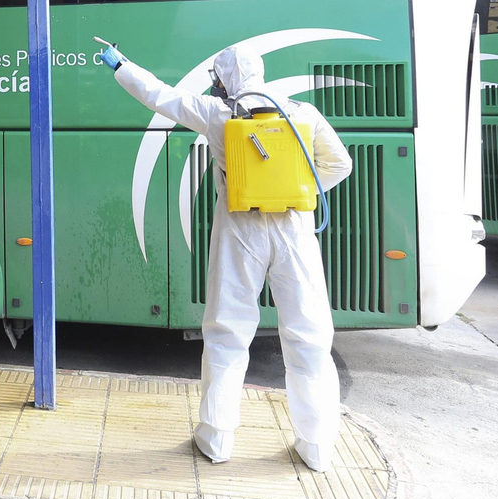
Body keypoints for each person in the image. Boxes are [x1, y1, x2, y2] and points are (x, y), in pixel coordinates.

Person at [95, 40, 352, 472]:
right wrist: (300, 193)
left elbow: (158, 95)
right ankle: (317, 446)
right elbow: (340, 164)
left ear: (227, 78)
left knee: (227, 331)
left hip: (239, 229)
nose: (215, 84)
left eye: (217, 77)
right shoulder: (303, 113)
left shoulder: (218, 114)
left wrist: (120, 63)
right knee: (308, 336)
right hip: (295, 231)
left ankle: (216, 440)